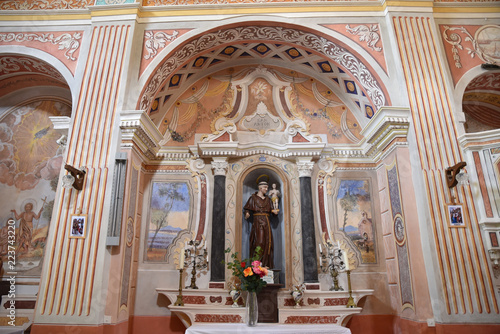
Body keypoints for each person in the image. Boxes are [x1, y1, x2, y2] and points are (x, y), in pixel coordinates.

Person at [244, 181, 279, 268]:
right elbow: (247, 208)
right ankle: (257, 264)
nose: (266, 189)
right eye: (265, 187)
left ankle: (266, 264)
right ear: (260, 188)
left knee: (267, 242)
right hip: (257, 222)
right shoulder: (253, 198)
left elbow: (272, 211)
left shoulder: (268, 199)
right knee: (259, 242)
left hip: (266, 222)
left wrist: (274, 212)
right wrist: (247, 212)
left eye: (267, 188)